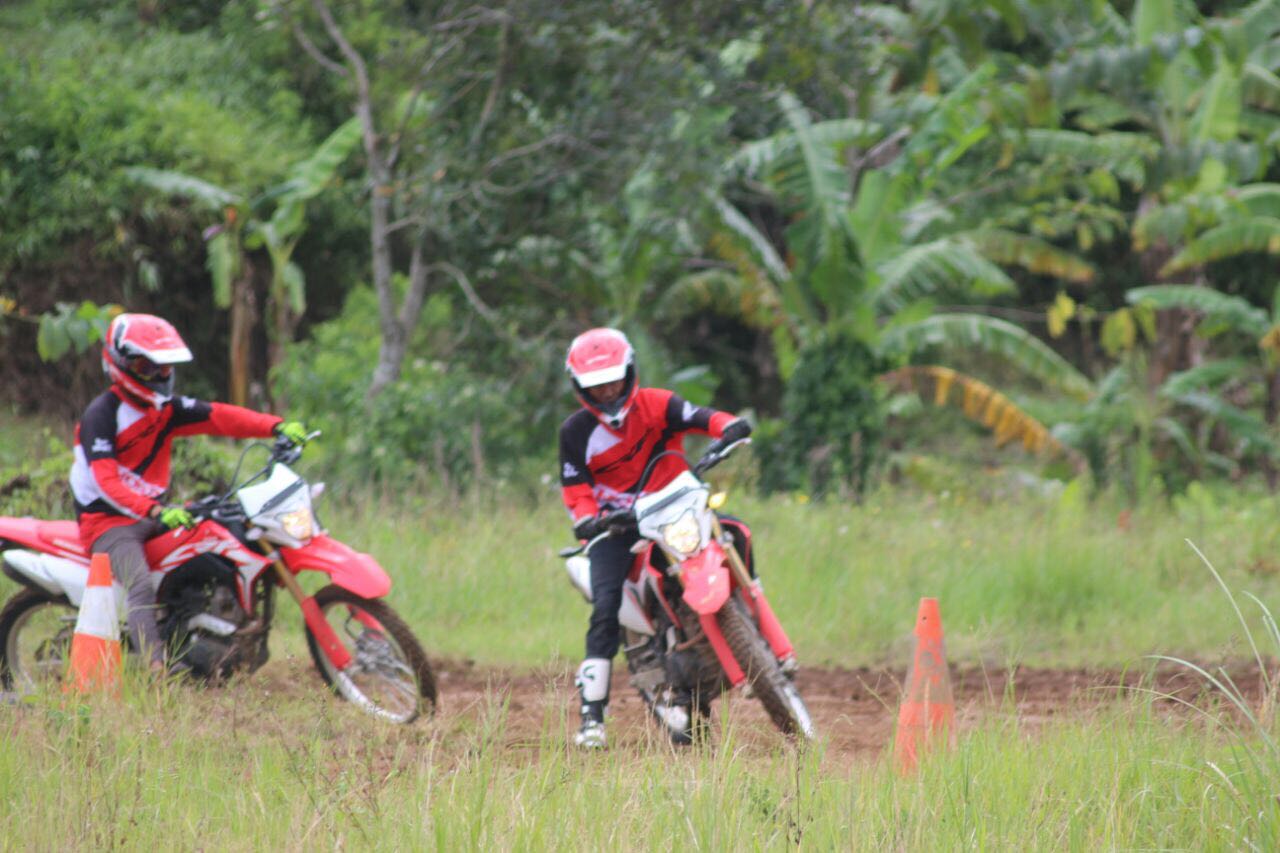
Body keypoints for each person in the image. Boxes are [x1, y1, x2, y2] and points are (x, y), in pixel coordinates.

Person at [70, 312, 309, 672]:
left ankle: (210, 630)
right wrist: (154, 511)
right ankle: (155, 669)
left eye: (165, 367)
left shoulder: (165, 409)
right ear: (121, 364)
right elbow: (107, 482)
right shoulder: (101, 415)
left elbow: (221, 416)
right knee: (139, 585)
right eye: (147, 367)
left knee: (220, 536)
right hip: (107, 522)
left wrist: (275, 427)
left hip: (154, 513)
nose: (159, 375)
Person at [559, 327, 753, 748]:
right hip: (617, 527)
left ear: (629, 372)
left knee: (736, 532)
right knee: (606, 606)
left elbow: (703, 418)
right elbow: (576, 491)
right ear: (580, 387)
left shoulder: (658, 403)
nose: (607, 391)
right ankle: (592, 717)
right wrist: (588, 520)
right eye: (596, 385)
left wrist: (730, 426)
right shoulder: (575, 432)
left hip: (676, 508)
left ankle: (750, 619)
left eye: (613, 379)